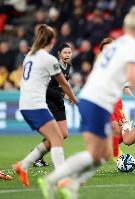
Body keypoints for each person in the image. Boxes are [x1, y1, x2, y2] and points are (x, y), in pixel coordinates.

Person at [38, 6, 135, 199]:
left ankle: (68, 184)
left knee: (104, 152)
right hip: (100, 102)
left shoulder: (115, 46)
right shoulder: (132, 45)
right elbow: (133, 77)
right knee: (98, 153)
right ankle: (56, 180)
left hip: (90, 98)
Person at [13, 24, 77, 187]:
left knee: (59, 135)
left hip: (28, 102)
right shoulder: (48, 59)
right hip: (36, 104)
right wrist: (76, 100)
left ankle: (24, 165)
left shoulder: (30, 55)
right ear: (52, 40)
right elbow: (63, 84)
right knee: (57, 138)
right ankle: (62, 179)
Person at [33, 43, 73, 167]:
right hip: (49, 102)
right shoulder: (54, 67)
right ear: (59, 54)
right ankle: (37, 157)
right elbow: (46, 88)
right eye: (65, 52)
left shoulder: (68, 67)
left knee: (64, 134)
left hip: (59, 103)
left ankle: (36, 155)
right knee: (55, 134)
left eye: (69, 52)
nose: (67, 55)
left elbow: (61, 86)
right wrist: (63, 95)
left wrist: (67, 95)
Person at [99, 37, 132, 161]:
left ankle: (106, 148)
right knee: (115, 128)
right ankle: (115, 155)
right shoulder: (100, 66)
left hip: (117, 103)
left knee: (125, 132)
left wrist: (126, 87)